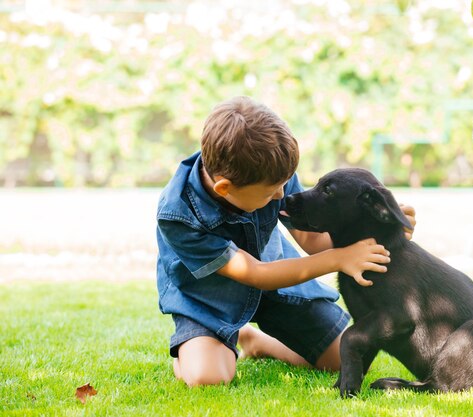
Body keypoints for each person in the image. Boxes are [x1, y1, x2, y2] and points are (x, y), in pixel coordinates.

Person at [156, 96, 416, 387]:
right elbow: (255, 274)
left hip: (279, 282)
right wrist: (339, 259)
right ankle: (192, 352)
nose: (281, 195)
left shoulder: (270, 170)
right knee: (208, 378)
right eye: (271, 193)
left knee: (345, 358)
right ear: (224, 188)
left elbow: (311, 240)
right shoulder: (178, 214)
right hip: (208, 300)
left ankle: (257, 343)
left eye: (285, 183)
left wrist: (380, 227)